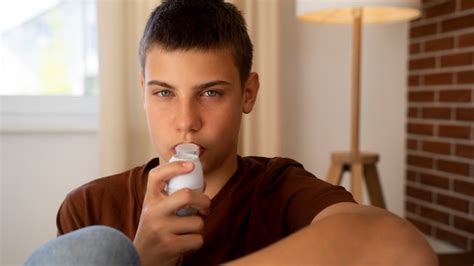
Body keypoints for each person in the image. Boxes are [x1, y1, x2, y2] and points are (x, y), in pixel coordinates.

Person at [35, 0, 437, 265]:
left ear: (248, 93)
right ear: (143, 92)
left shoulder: (279, 190)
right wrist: (141, 257)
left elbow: (403, 249)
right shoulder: (89, 206)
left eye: (210, 92)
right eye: (164, 93)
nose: (186, 120)